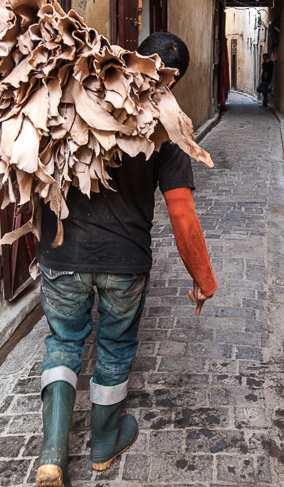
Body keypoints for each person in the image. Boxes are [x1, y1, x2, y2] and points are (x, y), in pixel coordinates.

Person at [34, 31, 218, 487]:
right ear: (173, 81)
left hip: (62, 252)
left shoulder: (75, 96)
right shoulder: (168, 128)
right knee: (114, 347)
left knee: (63, 343)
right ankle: (104, 443)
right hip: (125, 261)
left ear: (132, 54)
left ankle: (51, 456)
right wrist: (204, 278)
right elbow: (182, 212)